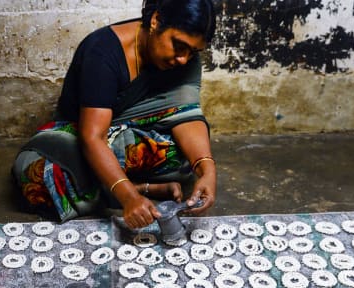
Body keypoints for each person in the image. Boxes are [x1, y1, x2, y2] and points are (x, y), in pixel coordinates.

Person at [12, 0, 217, 230]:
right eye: (178, 46)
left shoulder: (185, 60)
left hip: (128, 139)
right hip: (81, 137)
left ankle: (108, 186)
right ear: (156, 20)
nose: (183, 59)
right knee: (38, 177)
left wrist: (206, 169)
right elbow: (92, 137)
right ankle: (139, 188)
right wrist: (128, 197)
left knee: (180, 154)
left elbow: (185, 113)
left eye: (193, 51)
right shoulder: (102, 52)